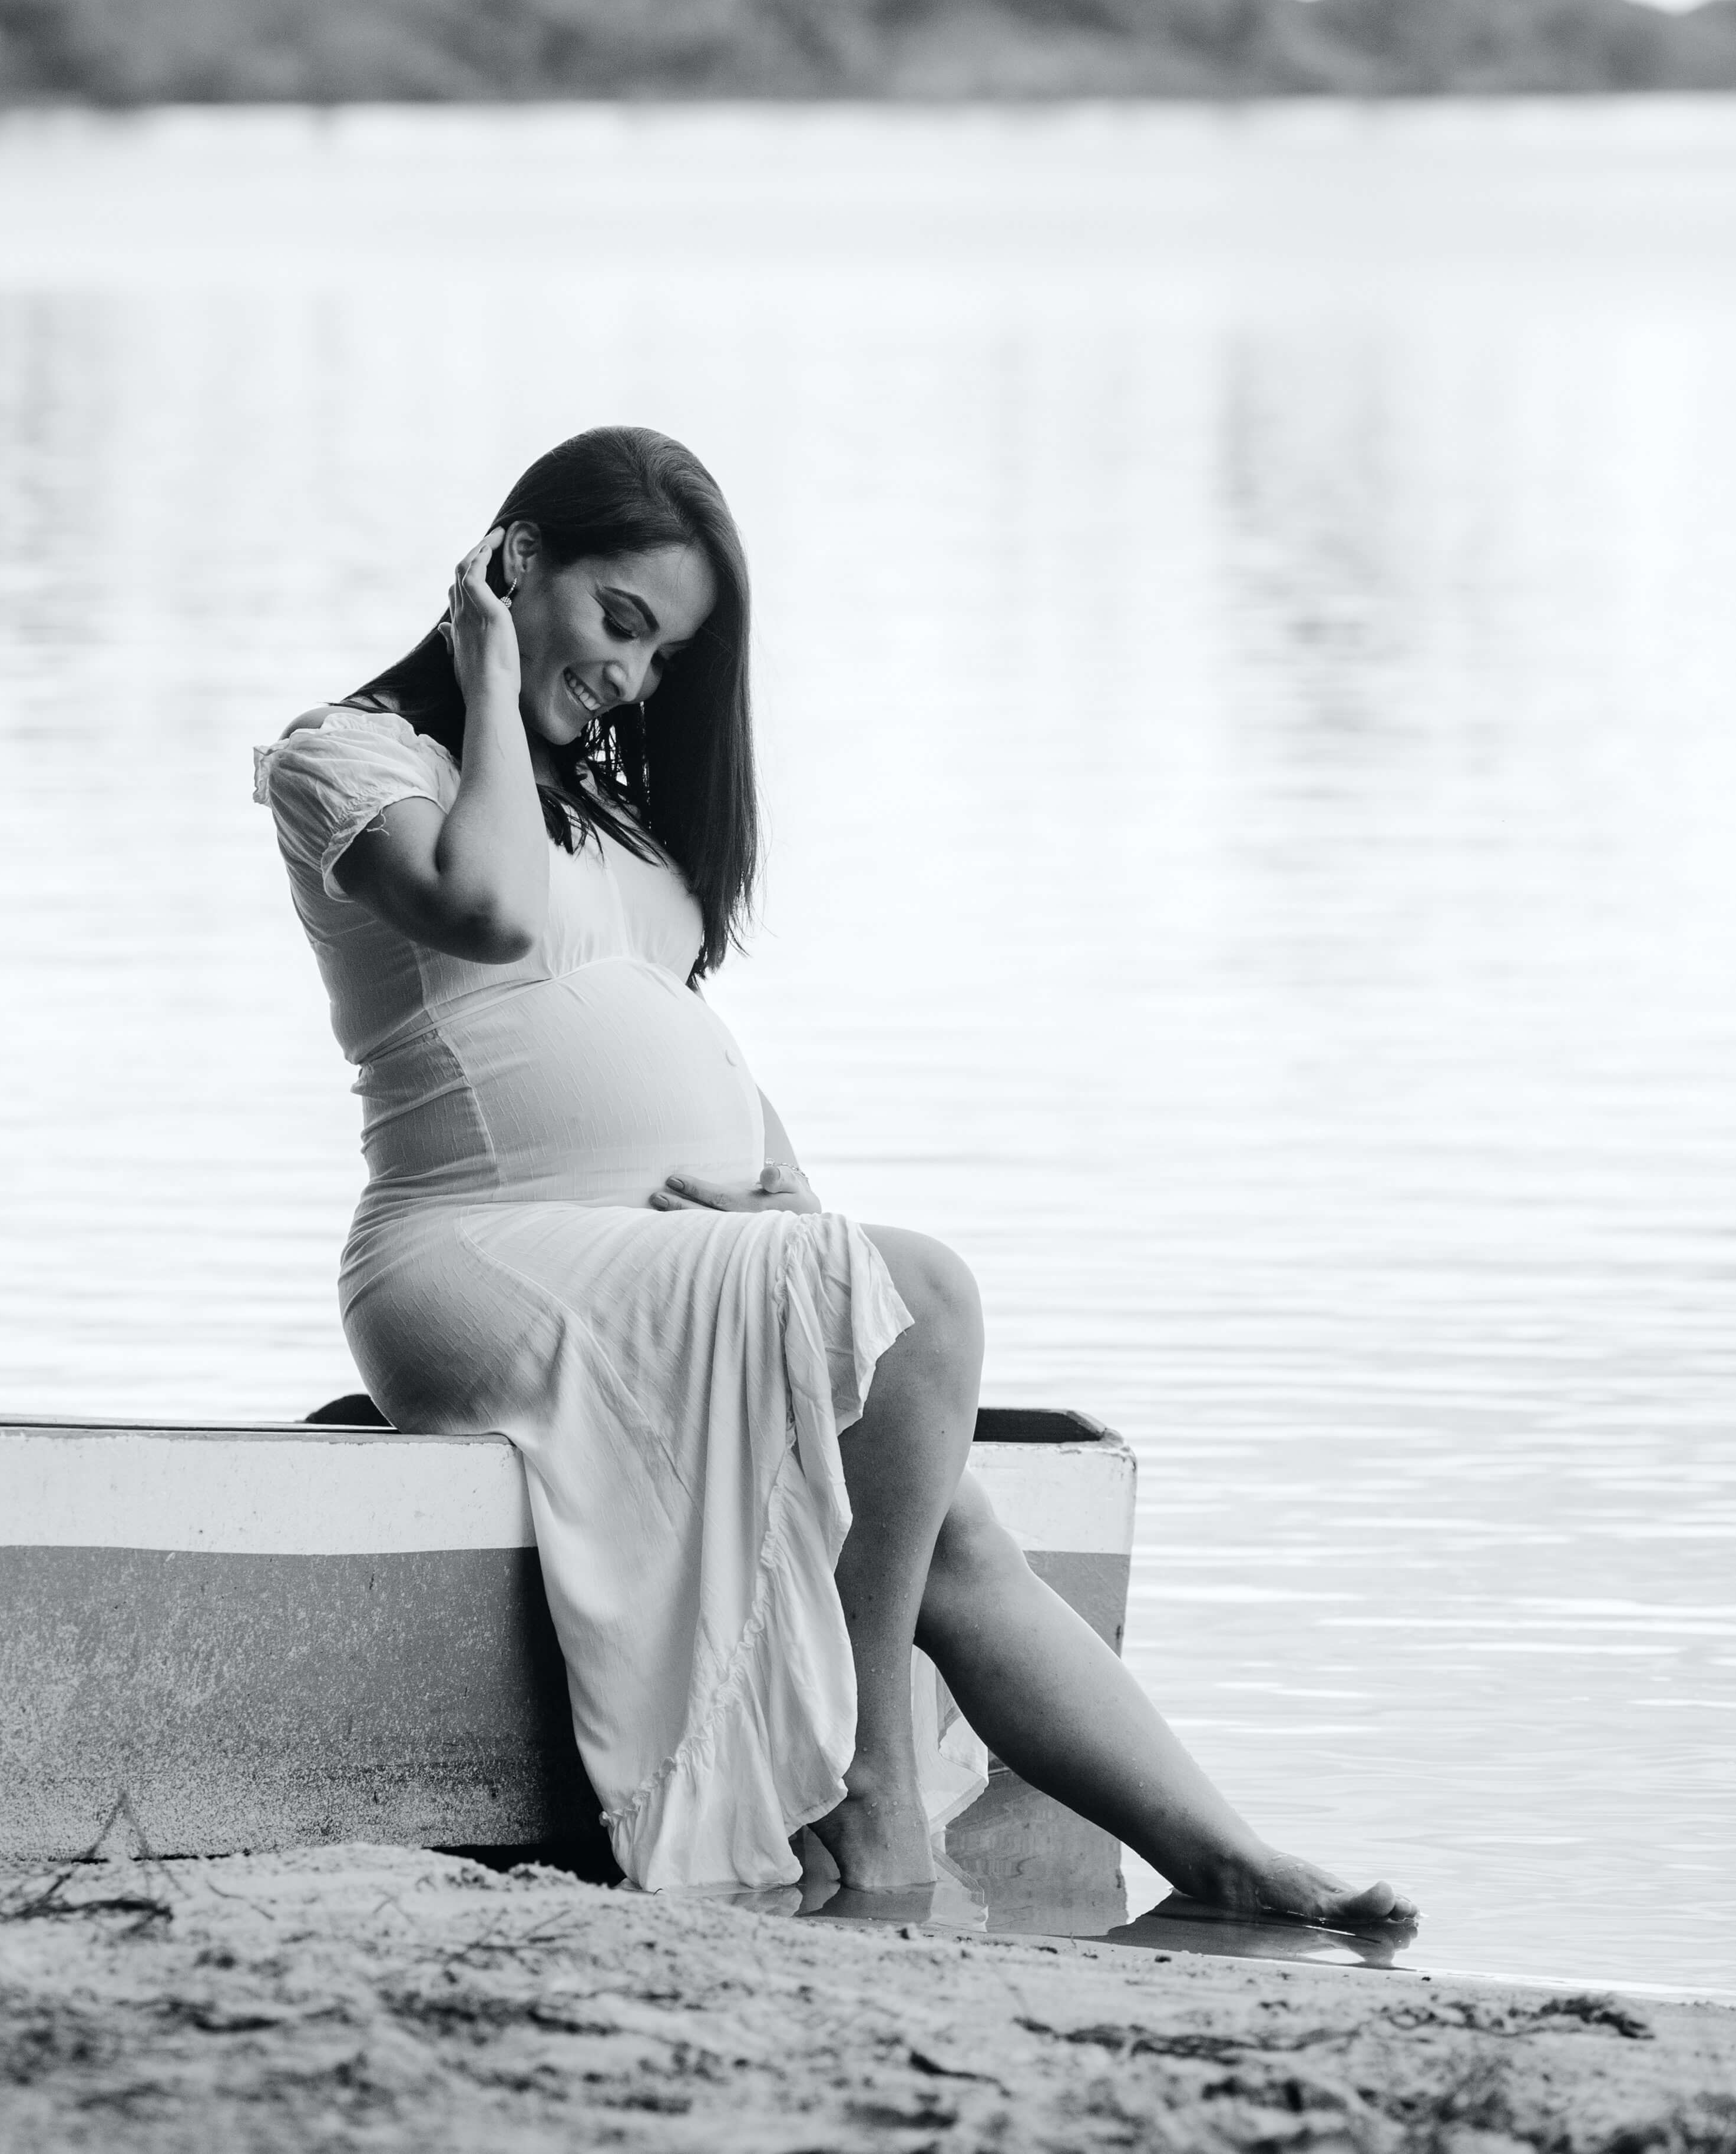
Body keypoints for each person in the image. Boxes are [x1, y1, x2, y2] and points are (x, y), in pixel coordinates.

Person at [256, 423, 1414, 1923]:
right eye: (619, 621)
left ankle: (1221, 1857)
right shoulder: (347, 758)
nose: (631, 678)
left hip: (652, 1263)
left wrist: (789, 1199)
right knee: (923, 1295)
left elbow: (665, 1020)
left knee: (951, 1522)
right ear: (515, 558)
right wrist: (482, 670)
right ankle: (871, 1779)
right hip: (474, 1254)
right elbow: (484, 914)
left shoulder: (596, 806)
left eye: (664, 656)